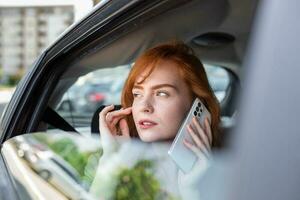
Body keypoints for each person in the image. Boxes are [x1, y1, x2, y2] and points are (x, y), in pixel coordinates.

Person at [96, 41, 221, 199]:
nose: (144, 106)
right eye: (137, 94)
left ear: (196, 104)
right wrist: (111, 157)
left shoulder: (225, 175)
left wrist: (191, 194)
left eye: (161, 93)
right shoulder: (130, 164)